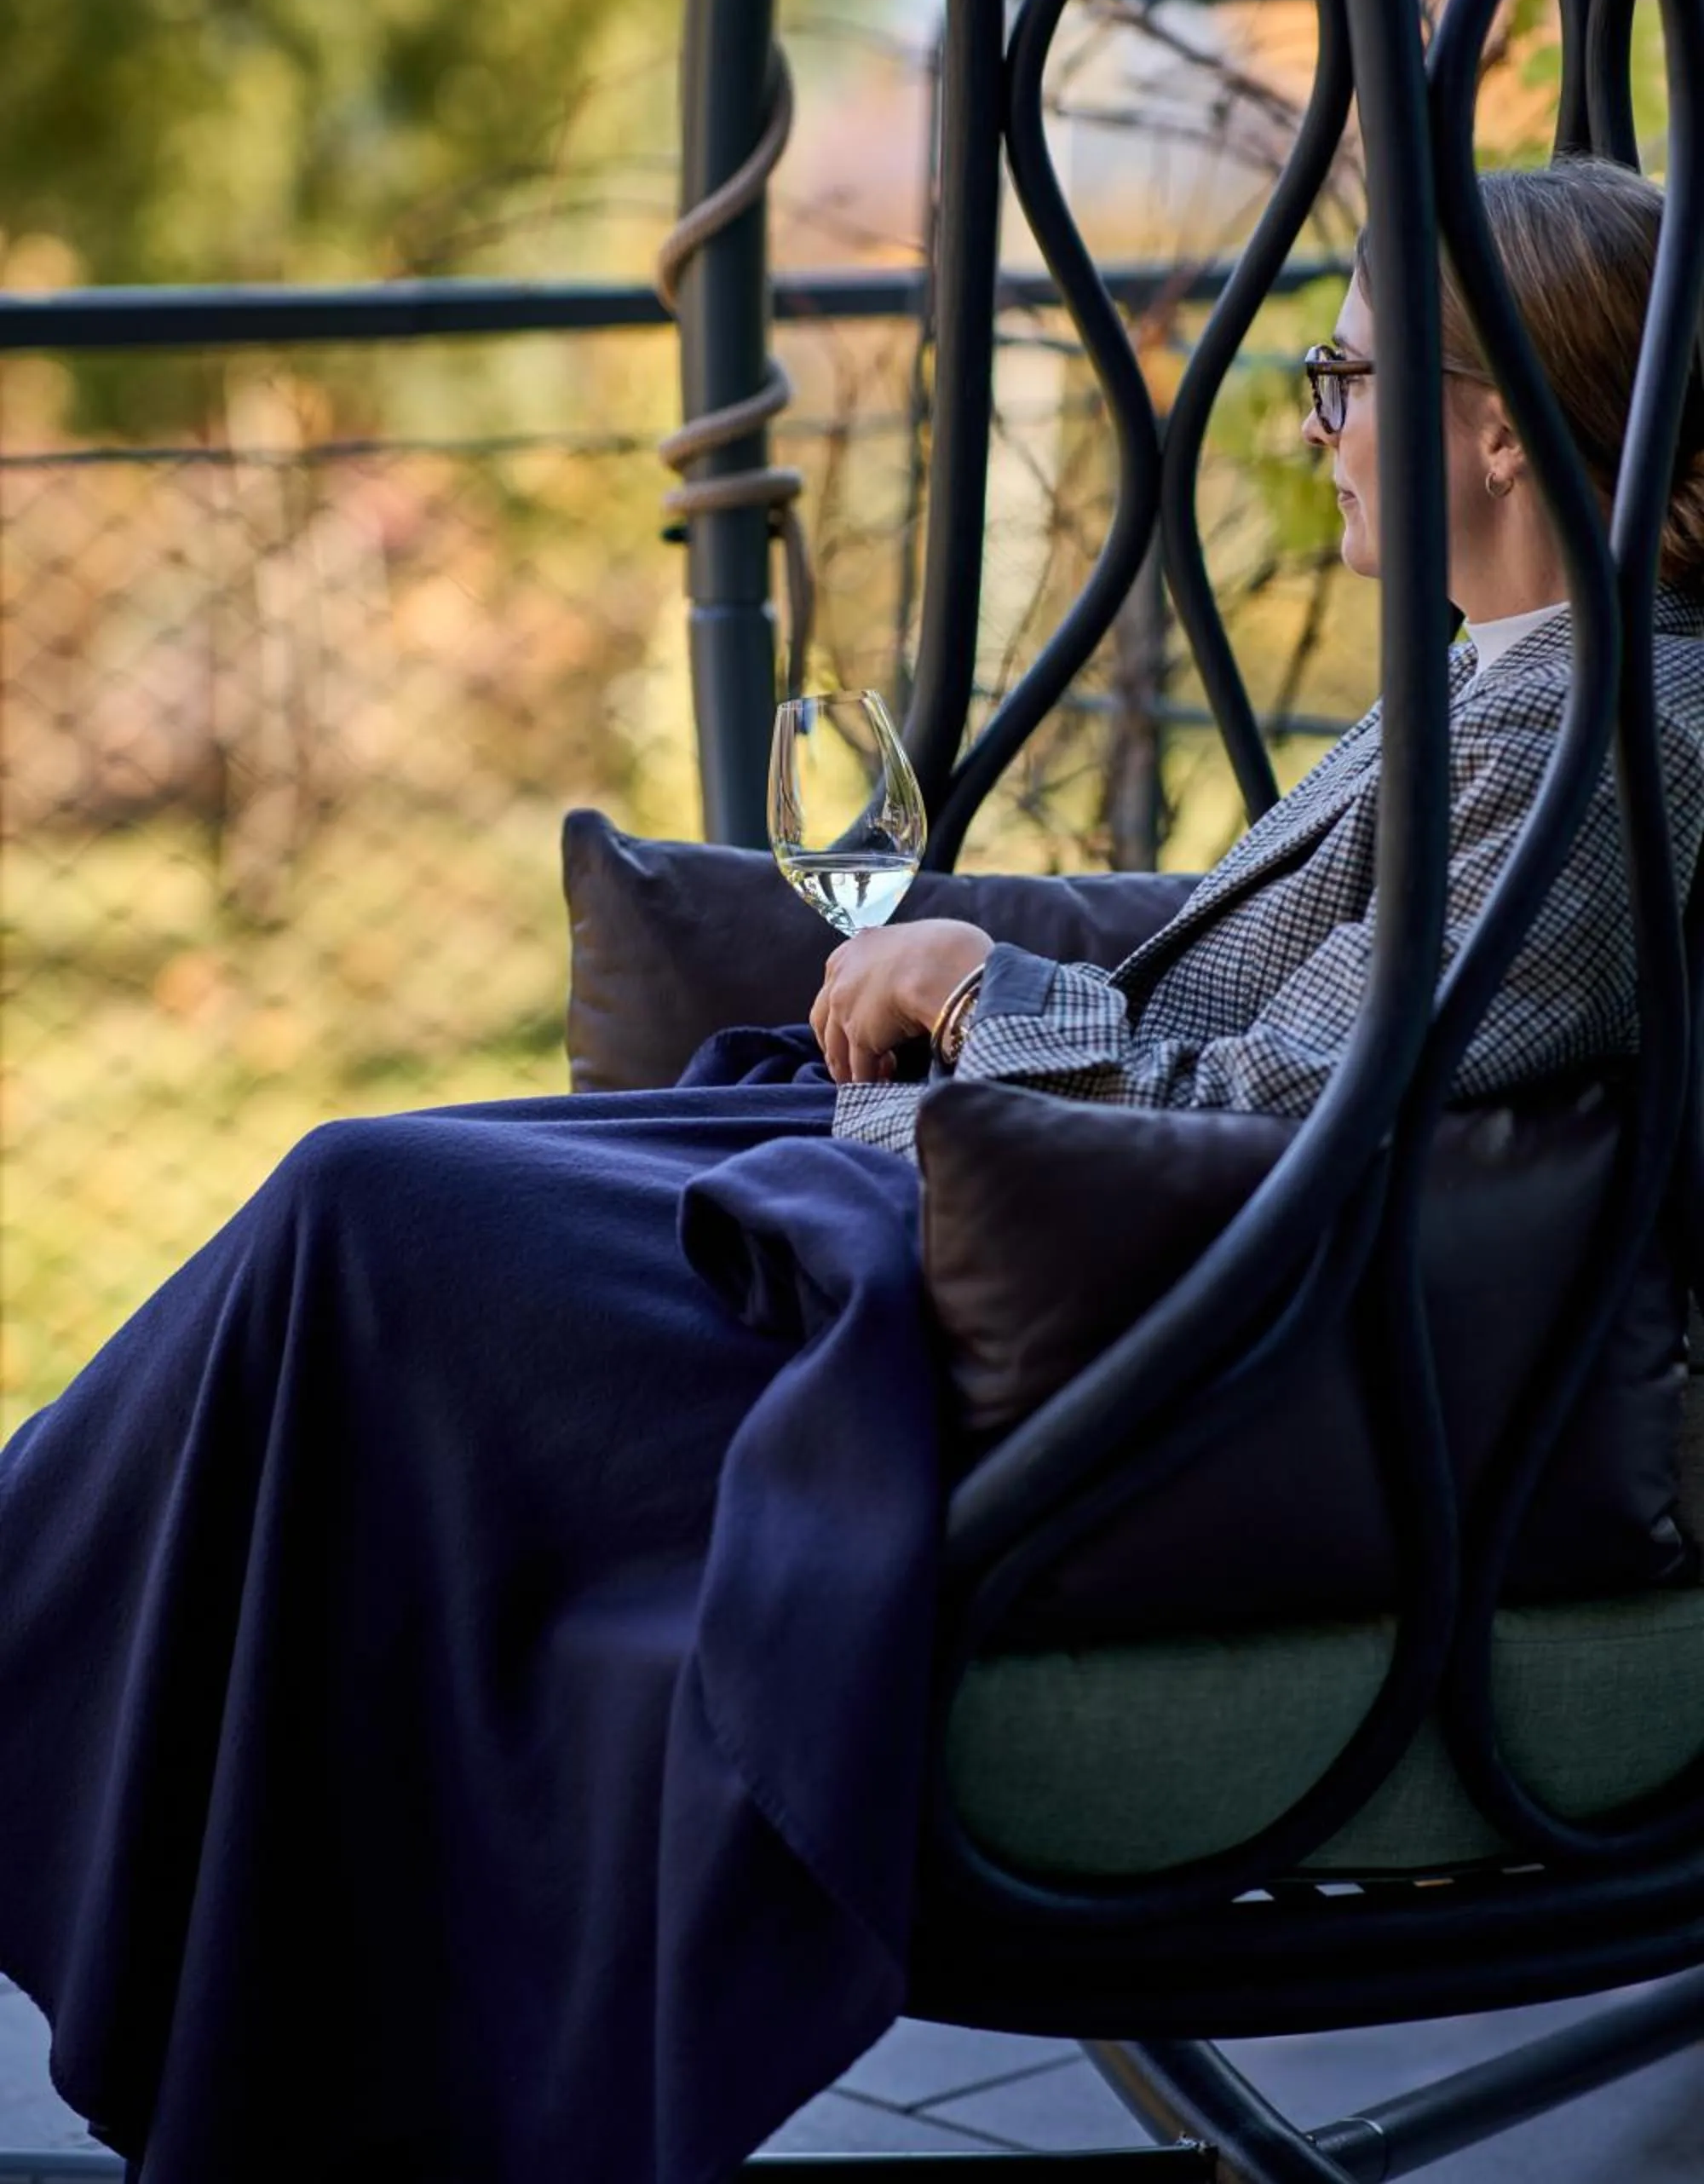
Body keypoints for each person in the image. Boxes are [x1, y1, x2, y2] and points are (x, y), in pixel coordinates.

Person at [3, 158, 1703, 2184]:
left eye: (1346, 376)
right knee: (372, 1224)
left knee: (366, 1206)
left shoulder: (1618, 730)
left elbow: (1314, 1102)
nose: (1317, 423)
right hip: (1031, 1214)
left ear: (1497, 422)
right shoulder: (1500, 674)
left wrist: (985, 988)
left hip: (1120, 1314)